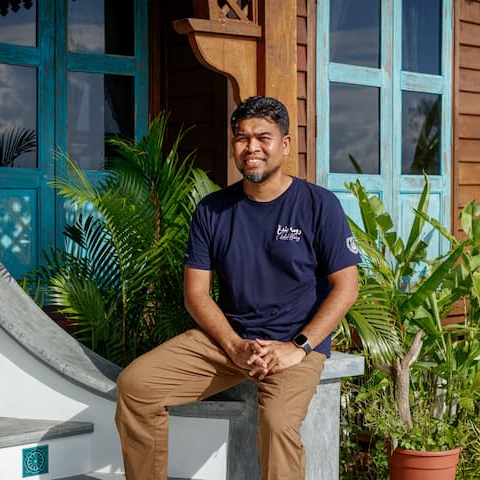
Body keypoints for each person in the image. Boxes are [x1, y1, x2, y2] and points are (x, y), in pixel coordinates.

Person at [114, 95, 361, 480]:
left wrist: (298, 347)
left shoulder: (319, 205)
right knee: (136, 386)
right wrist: (233, 345)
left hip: (294, 345)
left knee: (278, 423)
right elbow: (196, 293)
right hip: (228, 343)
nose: (251, 148)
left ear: (284, 144)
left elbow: (346, 287)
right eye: (242, 138)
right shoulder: (212, 210)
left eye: (263, 137)